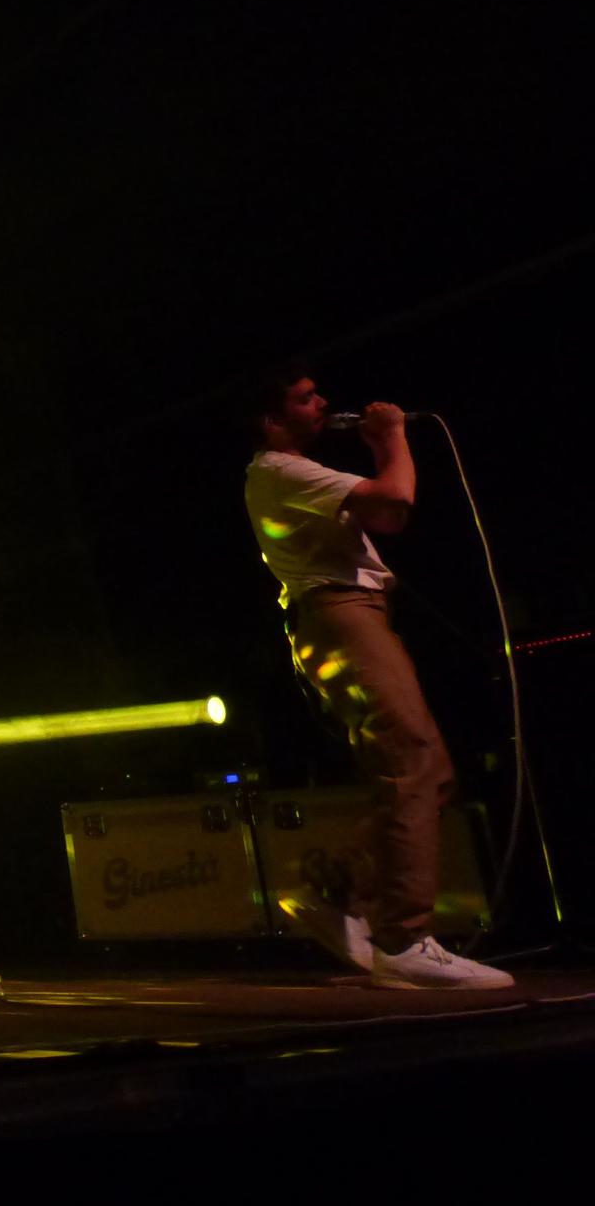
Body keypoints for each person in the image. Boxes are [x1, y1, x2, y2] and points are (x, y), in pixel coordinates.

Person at [243, 365, 510, 989]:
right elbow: (394, 505)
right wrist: (391, 437)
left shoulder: (285, 472)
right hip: (340, 615)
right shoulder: (279, 468)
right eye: (306, 399)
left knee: (426, 769)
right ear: (271, 419)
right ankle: (403, 938)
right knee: (411, 757)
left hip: (352, 615)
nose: (323, 404)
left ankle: (336, 890)